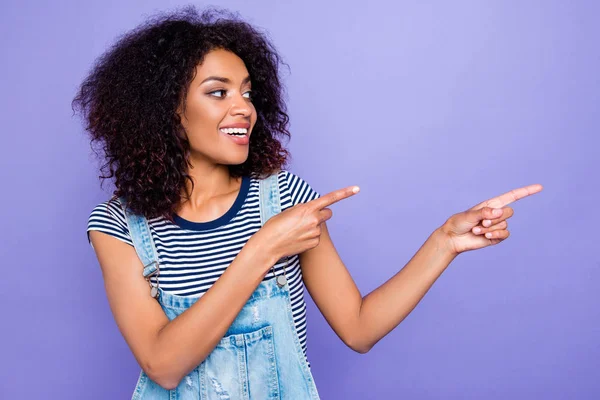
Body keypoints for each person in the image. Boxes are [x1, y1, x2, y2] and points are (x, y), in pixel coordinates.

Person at [73, 6, 543, 400]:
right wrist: (263, 249)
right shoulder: (118, 226)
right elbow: (164, 365)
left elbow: (359, 329)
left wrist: (444, 242)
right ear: (166, 111)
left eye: (248, 92)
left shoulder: (286, 198)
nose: (244, 108)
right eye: (218, 92)